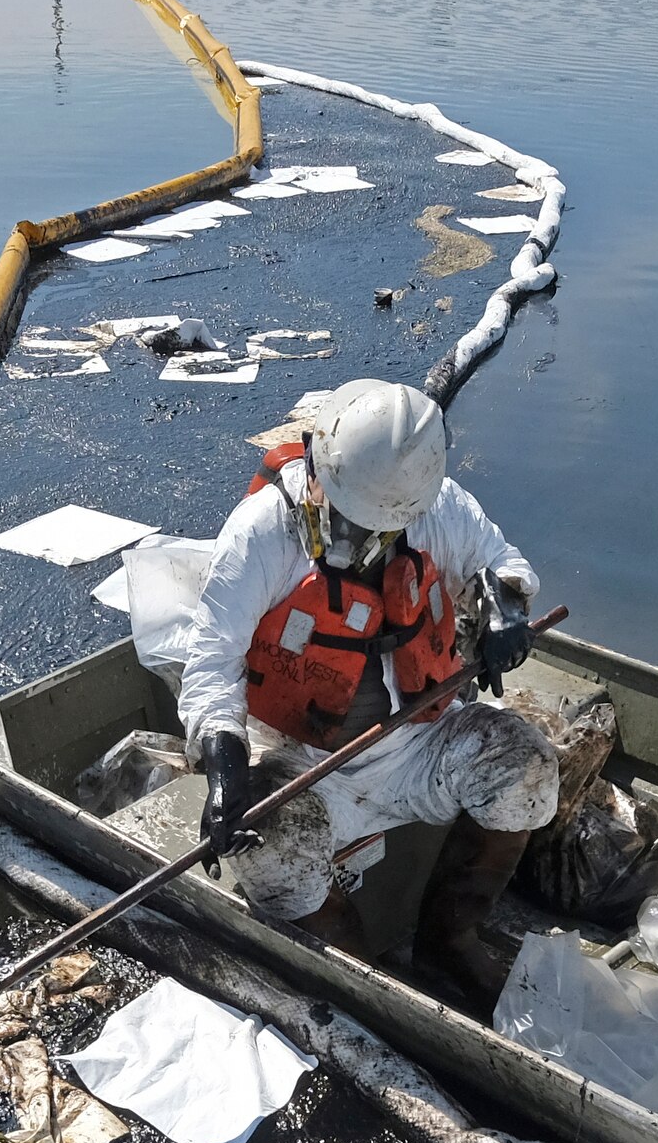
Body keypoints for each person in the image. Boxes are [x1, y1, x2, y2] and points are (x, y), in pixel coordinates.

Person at [180, 379, 557, 999]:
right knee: (270, 851)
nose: (361, 535)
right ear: (315, 459)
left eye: (381, 524)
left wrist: (504, 605)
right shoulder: (263, 532)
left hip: (419, 742)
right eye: (350, 514)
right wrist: (223, 767)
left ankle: (448, 943)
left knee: (527, 769)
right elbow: (211, 660)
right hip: (301, 761)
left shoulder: (437, 506)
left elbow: (503, 562)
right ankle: (367, 986)